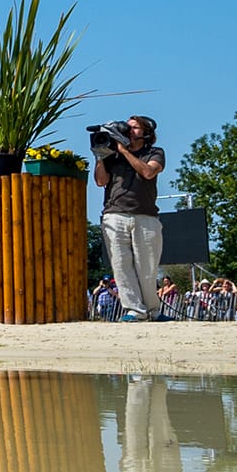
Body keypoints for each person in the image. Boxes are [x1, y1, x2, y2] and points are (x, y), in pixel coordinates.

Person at [94, 116, 165, 322]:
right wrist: (100, 156)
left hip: (146, 215)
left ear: (146, 133)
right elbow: (100, 181)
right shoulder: (111, 155)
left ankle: (153, 310)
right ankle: (134, 310)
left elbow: (148, 172)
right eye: (128, 127)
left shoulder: (154, 152)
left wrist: (124, 151)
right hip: (115, 214)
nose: (129, 130)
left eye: (134, 128)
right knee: (121, 265)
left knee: (147, 267)